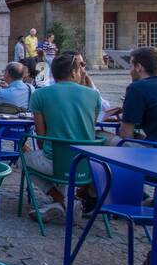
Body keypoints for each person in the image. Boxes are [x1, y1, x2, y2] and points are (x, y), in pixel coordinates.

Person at [23, 52, 102, 221]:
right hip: (85, 164)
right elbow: (90, 127)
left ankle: (61, 200)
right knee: (63, 157)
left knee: (22, 159)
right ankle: (68, 201)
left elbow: (40, 136)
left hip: (56, 161)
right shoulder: (94, 95)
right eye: (79, 70)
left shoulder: (39, 95)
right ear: (73, 73)